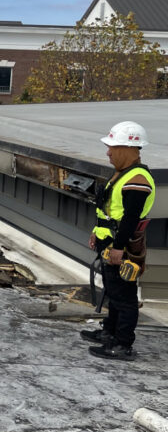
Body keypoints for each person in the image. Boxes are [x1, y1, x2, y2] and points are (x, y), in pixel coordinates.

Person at [83, 121, 156, 361]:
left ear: (129, 148)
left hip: (123, 248)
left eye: (113, 147)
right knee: (113, 292)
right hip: (111, 243)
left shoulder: (137, 180)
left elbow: (130, 219)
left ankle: (122, 344)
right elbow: (109, 212)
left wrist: (118, 248)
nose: (108, 152)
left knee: (124, 297)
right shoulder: (124, 174)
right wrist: (97, 231)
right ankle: (110, 333)